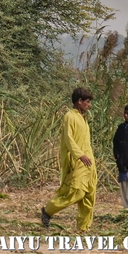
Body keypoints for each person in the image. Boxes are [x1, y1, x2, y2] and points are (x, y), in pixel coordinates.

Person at [41, 87, 97, 231]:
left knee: (89, 196)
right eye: (87, 102)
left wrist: (90, 159)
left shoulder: (83, 118)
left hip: (89, 163)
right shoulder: (69, 116)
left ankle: (83, 228)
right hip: (78, 161)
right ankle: (48, 210)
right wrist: (80, 155)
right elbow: (69, 139)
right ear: (79, 101)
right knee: (76, 192)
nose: (89, 105)